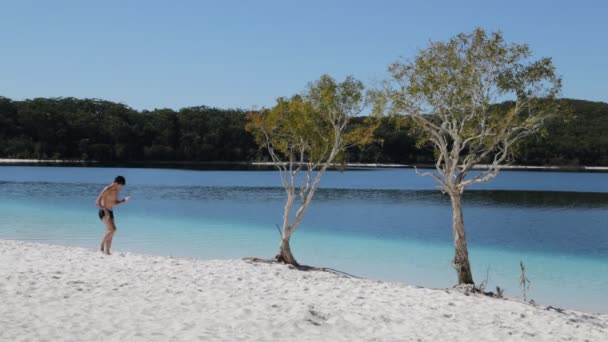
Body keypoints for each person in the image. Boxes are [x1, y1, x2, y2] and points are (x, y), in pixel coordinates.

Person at [95, 176, 130, 255]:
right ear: (116, 183)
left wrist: (124, 200)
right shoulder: (107, 189)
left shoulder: (117, 191)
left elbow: (115, 203)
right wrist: (104, 210)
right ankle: (101, 244)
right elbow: (97, 202)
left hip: (110, 211)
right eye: (121, 185)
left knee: (111, 233)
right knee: (113, 229)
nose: (121, 187)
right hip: (103, 211)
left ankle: (107, 251)